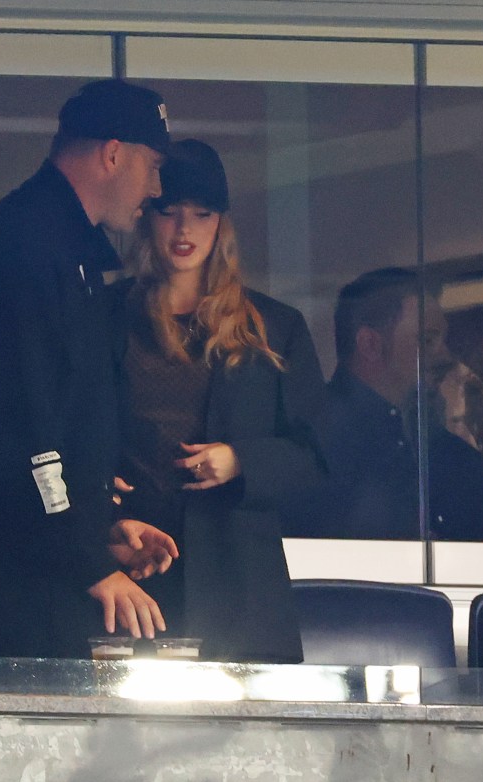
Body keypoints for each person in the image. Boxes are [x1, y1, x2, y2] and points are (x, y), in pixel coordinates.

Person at [0, 79, 180, 659]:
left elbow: (61, 420)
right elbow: (21, 427)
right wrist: (86, 559)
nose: (156, 187)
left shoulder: (66, 249)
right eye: (152, 165)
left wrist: (98, 526)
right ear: (113, 154)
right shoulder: (21, 245)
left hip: (9, 564)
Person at [111, 139, 326, 663]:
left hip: (240, 585)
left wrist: (241, 461)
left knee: (251, 741)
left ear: (221, 224)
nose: (184, 231)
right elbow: (67, 436)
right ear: (148, 217)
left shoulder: (275, 327)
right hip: (137, 569)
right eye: (170, 213)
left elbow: (318, 457)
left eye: (201, 215)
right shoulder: (105, 319)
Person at [286, 266, 483, 543]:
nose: (446, 356)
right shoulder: (310, 441)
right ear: (370, 345)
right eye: (426, 341)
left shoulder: (435, 447)